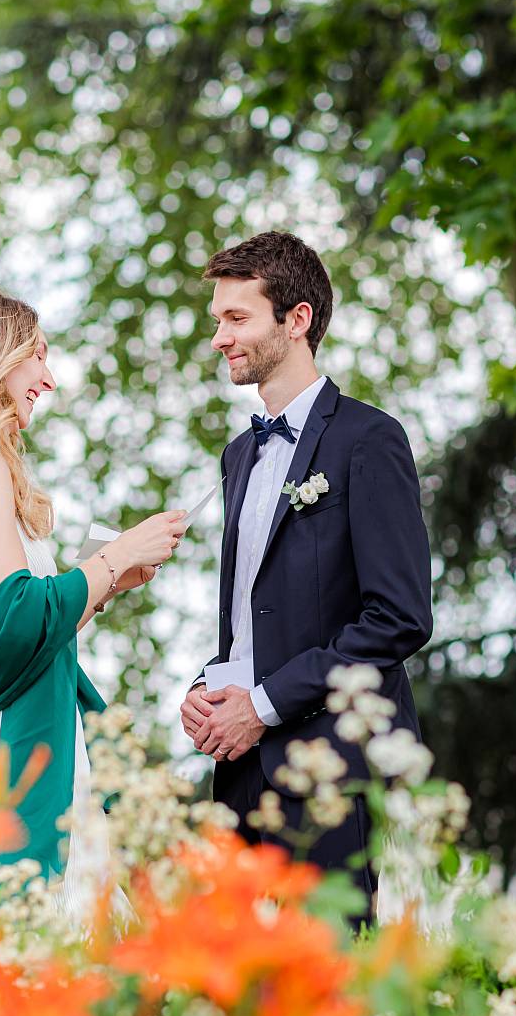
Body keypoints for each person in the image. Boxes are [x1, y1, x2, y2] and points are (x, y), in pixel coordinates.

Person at [0, 289, 186, 919]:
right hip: (19, 754)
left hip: (21, 743)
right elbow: (20, 615)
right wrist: (115, 554)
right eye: (39, 357)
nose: (48, 380)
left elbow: (11, 634)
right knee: (43, 957)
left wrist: (107, 584)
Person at [180, 232, 432, 924]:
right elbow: (251, 618)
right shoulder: (239, 456)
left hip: (331, 768)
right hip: (238, 774)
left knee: (331, 997)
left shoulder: (368, 439)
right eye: (217, 321)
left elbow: (399, 616)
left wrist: (261, 705)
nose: (219, 339)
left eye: (237, 319)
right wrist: (209, 688)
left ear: (297, 321)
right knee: (231, 998)